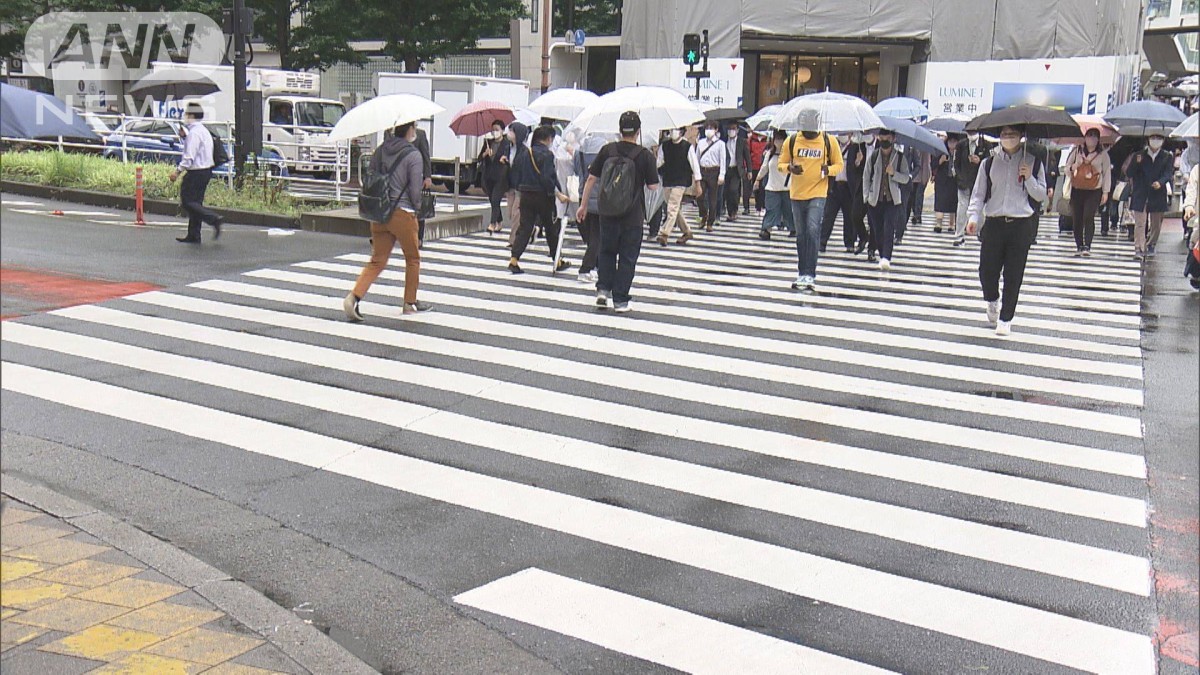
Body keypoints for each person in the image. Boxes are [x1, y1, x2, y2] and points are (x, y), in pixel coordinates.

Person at [965, 125, 1047, 336]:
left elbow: (1040, 195)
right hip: (994, 223)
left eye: (1012, 134)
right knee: (987, 271)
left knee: (1014, 274)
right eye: (1004, 135)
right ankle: (992, 299)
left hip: (1021, 224)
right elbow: (978, 194)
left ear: (1021, 137)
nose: (1007, 138)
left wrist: (1029, 177)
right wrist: (973, 217)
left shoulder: (1033, 162)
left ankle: (1006, 318)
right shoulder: (989, 163)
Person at [344, 122, 429, 320]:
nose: (415, 130)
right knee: (413, 258)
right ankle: (409, 302)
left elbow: (371, 176)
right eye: (414, 127)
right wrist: (417, 209)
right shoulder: (414, 155)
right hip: (403, 212)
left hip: (380, 212)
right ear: (409, 130)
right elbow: (416, 191)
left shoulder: (381, 150)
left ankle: (353, 297)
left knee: (377, 261)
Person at [577, 111, 660, 313]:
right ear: (638, 131)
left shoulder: (607, 150)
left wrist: (583, 205)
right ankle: (620, 300)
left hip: (607, 213)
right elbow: (652, 187)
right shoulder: (645, 155)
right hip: (632, 216)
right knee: (628, 257)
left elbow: (591, 179)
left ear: (620, 129)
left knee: (606, 251)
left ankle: (603, 291)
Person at [779, 108, 844, 293]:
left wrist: (827, 170)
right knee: (801, 235)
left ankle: (810, 273)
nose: (808, 134)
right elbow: (781, 164)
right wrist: (790, 168)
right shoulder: (791, 141)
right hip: (797, 194)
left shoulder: (828, 141)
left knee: (813, 229)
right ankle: (802, 272)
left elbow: (839, 165)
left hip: (818, 192)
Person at [508, 125, 571, 274]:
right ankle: (558, 260)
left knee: (524, 228)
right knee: (551, 228)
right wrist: (558, 194)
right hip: (543, 197)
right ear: (549, 139)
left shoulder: (525, 153)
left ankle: (514, 259)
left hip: (526, 195)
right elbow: (547, 178)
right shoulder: (547, 155)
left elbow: (517, 173)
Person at [169, 104, 223, 244]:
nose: (185, 116)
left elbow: (189, 157)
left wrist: (177, 172)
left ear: (191, 116)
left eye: (187, 114)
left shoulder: (194, 134)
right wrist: (184, 136)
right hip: (206, 170)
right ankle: (194, 234)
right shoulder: (202, 131)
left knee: (187, 201)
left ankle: (213, 218)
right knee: (196, 202)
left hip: (195, 172)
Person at [862, 127, 911, 271]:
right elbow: (866, 176)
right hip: (875, 200)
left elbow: (906, 178)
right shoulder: (874, 156)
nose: (885, 142)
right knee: (877, 230)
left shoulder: (900, 157)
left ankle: (886, 257)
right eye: (882, 139)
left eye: (888, 139)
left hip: (892, 200)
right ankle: (883, 253)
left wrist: (893, 173)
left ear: (893, 139)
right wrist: (866, 197)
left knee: (889, 228)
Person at [1126, 133, 1175, 260]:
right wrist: (1137, 163)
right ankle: (1139, 247)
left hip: (1157, 193)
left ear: (1163, 141)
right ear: (1148, 139)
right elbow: (1129, 172)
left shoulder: (1166, 156)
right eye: (1153, 138)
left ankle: (1151, 244)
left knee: (1156, 223)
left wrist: (1161, 182)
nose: (1155, 141)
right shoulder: (1139, 155)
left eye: (1159, 138)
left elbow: (1168, 173)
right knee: (1140, 223)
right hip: (1141, 192)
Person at [1065, 129, 1112, 257]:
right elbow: (1066, 169)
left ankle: (1087, 245)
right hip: (1077, 188)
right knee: (1077, 218)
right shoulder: (1076, 151)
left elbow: (1107, 173)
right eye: (1089, 136)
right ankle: (1079, 245)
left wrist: (1105, 192)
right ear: (1084, 138)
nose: (1091, 139)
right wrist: (1074, 166)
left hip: (1094, 190)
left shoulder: (1103, 155)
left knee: (1088, 216)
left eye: (1095, 136)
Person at [655, 126, 702, 246]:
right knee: (675, 209)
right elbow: (659, 162)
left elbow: (694, 165)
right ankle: (687, 231)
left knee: (672, 207)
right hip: (667, 179)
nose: (673, 132)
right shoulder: (664, 146)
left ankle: (664, 233)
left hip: (681, 181)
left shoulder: (687, 147)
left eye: (676, 130)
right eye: (671, 130)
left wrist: (698, 183)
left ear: (682, 132)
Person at [573, 134, 610, 284]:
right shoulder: (606, 150)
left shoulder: (580, 149)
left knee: (591, 235)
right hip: (599, 197)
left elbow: (577, 171)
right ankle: (586, 268)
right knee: (597, 236)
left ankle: (596, 266)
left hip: (583, 194)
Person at [754, 129, 795, 240]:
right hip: (772, 187)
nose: (778, 141)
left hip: (787, 187)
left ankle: (793, 228)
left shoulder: (791, 154)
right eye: (776, 138)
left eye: (781, 139)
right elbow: (764, 168)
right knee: (771, 209)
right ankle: (766, 229)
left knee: (789, 210)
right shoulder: (770, 154)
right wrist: (758, 179)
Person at [953, 131, 991, 246]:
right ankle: (959, 235)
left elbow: (989, 163)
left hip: (980, 182)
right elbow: (956, 164)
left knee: (981, 209)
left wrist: (979, 161)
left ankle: (980, 232)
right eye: (969, 132)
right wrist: (959, 179)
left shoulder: (986, 145)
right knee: (962, 208)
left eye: (973, 132)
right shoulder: (961, 145)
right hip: (964, 182)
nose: (971, 134)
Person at [820, 134, 856, 253]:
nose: (842, 135)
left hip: (848, 187)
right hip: (834, 186)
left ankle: (849, 243)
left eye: (845, 133)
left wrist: (858, 162)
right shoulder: (832, 147)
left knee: (849, 217)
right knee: (828, 216)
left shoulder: (855, 148)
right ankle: (822, 241)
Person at [696, 121, 727, 232]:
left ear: (716, 130)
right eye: (707, 128)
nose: (708, 130)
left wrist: (722, 175)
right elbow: (697, 158)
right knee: (699, 196)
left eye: (711, 128)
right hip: (702, 171)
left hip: (714, 172)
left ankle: (710, 222)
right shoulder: (700, 143)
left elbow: (723, 160)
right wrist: (696, 174)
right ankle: (704, 215)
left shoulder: (720, 144)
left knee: (713, 199)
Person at [480, 120, 509, 234]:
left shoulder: (506, 144)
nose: (495, 132)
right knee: (493, 200)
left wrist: (504, 159)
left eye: (497, 129)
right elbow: (480, 158)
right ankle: (500, 221)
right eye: (493, 130)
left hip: (501, 176)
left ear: (502, 130)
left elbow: (509, 158)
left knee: (496, 198)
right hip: (489, 176)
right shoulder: (488, 142)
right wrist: (485, 153)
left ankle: (492, 223)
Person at [505, 122, 530, 248]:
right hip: (510, 185)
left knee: (516, 213)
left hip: (520, 186)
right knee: (510, 213)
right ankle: (529, 231)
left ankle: (513, 240)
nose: (509, 133)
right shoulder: (508, 148)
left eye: (512, 131)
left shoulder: (525, 152)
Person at [932, 135, 960, 235]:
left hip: (955, 180)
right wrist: (941, 161)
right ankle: (938, 224)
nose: (952, 144)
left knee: (953, 202)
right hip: (942, 181)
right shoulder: (941, 150)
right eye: (950, 141)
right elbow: (933, 164)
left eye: (954, 141)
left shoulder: (960, 152)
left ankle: (951, 224)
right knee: (940, 201)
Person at [724, 123, 750, 222]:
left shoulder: (742, 142)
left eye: (733, 129)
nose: (731, 131)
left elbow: (747, 156)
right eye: (729, 129)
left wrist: (749, 170)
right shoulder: (724, 141)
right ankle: (730, 213)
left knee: (733, 190)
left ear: (738, 130)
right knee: (727, 192)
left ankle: (734, 210)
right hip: (726, 169)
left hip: (737, 169)